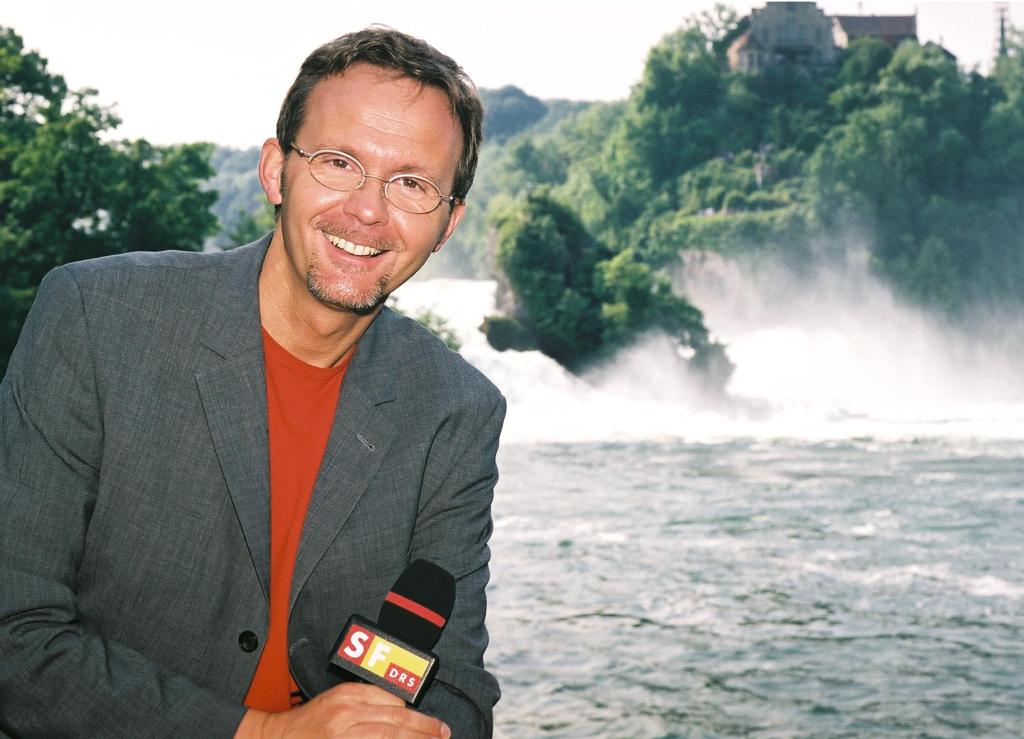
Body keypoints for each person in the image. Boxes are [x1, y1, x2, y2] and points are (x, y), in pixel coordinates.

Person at [0, 26, 504, 738]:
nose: (368, 209)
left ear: (448, 223)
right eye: (339, 163)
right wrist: (262, 734)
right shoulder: (96, 319)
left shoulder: (456, 409)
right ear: (275, 172)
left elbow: (454, 685)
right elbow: (13, 633)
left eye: (412, 184)